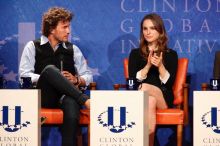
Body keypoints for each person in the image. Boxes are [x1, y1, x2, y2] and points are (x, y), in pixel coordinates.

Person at [19, 7, 93, 146]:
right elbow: (24, 76)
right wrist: (46, 77)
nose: (68, 31)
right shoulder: (32, 46)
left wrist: (76, 79)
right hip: (43, 97)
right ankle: (85, 100)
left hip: (66, 97)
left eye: (68, 27)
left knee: (72, 104)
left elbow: (88, 76)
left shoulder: (73, 49)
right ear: (52, 29)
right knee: (49, 70)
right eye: (64, 27)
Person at [128, 13, 178, 146]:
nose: (148, 32)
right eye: (145, 28)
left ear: (160, 30)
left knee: (144, 87)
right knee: (149, 101)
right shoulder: (135, 54)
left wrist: (160, 66)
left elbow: (170, 83)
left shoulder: (170, 54)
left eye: (152, 28)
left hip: (164, 98)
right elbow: (132, 81)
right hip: (143, 99)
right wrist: (148, 66)